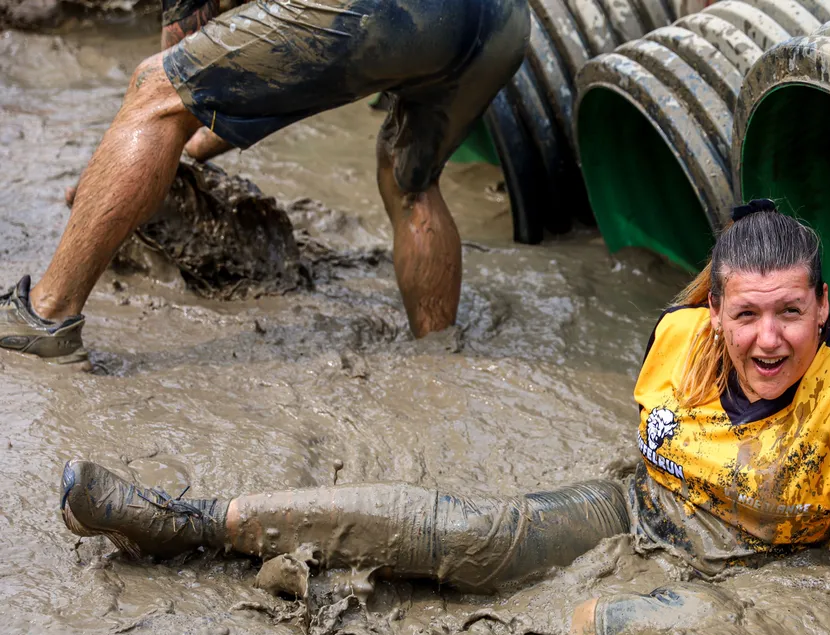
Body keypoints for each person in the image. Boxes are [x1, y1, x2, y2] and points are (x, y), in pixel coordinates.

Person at [57, 201, 830, 635]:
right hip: (647, 507)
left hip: (776, 568)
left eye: (791, 312)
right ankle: (185, 519)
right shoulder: (678, 335)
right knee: (470, 531)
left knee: (612, 621)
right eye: (745, 312)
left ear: (825, 308)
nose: (767, 338)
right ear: (716, 309)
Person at [0, 0, 530, 367]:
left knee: (154, 86)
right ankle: (437, 359)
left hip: (386, 11)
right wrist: (135, 170)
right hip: (502, 21)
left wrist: (127, 160)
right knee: (411, 179)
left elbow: (182, 85)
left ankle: (45, 314)